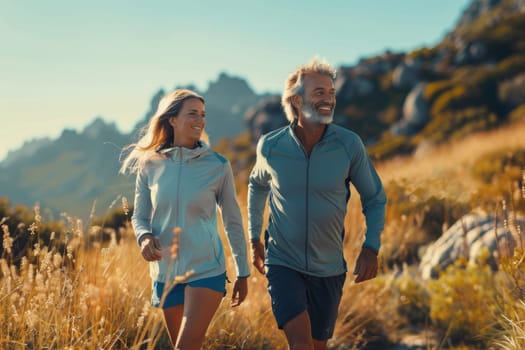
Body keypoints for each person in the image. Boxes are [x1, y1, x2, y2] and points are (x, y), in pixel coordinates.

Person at [247, 58, 386, 350]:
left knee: (316, 346)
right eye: (319, 92)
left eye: (331, 93)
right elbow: (256, 185)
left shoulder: (349, 145)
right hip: (283, 261)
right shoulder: (271, 146)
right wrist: (254, 238)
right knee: (300, 344)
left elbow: (374, 197)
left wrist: (371, 246)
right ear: (297, 100)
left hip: (329, 268)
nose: (328, 99)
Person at [120, 89, 250, 349]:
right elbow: (140, 216)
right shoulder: (150, 165)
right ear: (172, 120)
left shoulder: (217, 165)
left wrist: (243, 272)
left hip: (206, 269)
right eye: (192, 114)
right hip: (166, 274)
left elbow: (233, 221)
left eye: (203, 115)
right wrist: (144, 237)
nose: (200, 120)